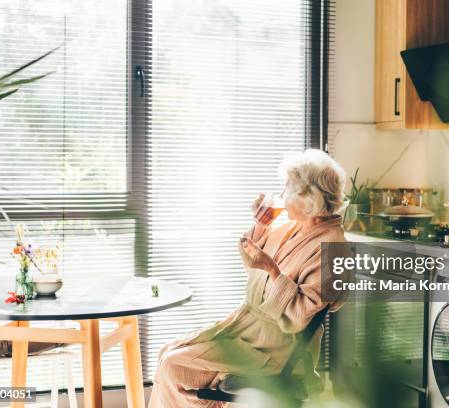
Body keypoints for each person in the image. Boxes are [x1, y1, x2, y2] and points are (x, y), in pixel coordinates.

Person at [148, 149, 347, 407]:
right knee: (167, 353)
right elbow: (254, 265)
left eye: (288, 188)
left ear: (310, 199)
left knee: (174, 366)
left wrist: (274, 271)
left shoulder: (333, 247)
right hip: (247, 329)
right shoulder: (293, 227)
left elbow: (300, 317)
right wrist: (262, 224)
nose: (282, 194)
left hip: (277, 348)